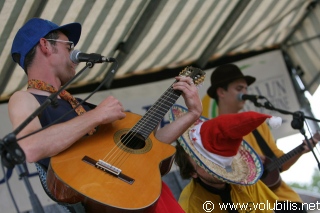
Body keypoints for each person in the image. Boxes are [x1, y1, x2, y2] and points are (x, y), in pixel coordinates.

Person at [8, 18, 203, 213]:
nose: (74, 53)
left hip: (131, 196)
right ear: (45, 46)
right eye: (69, 46)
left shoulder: (80, 104)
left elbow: (149, 148)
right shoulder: (24, 98)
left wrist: (192, 114)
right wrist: (95, 116)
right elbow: (29, 148)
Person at [206, 63, 320, 213]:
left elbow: (279, 164)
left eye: (246, 88)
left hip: (283, 200)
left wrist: (301, 150)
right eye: (239, 89)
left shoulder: (257, 124)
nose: (245, 92)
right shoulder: (210, 131)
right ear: (221, 92)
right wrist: (246, 162)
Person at [170, 105, 279, 213]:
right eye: (210, 165)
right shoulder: (190, 206)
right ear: (192, 172)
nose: (222, 170)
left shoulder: (244, 182)